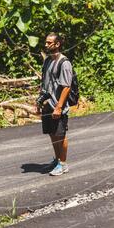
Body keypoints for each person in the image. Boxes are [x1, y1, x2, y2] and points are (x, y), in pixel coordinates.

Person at [38, 32, 74, 176]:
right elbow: (44, 82)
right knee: (52, 134)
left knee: (61, 135)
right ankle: (57, 159)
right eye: (46, 42)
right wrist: (39, 100)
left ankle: (63, 164)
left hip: (58, 105)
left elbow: (66, 87)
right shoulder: (47, 60)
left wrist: (59, 107)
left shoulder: (64, 63)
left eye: (49, 43)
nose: (46, 45)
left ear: (57, 44)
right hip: (47, 103)